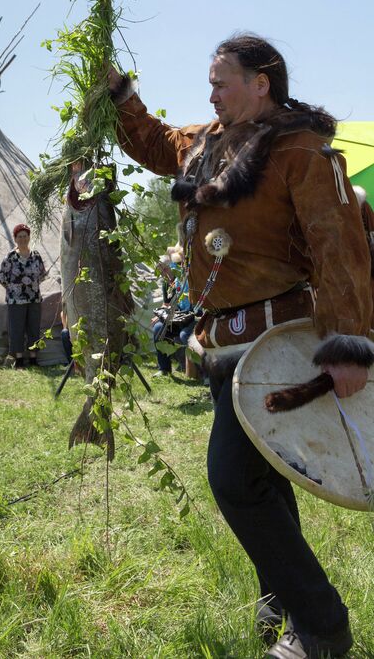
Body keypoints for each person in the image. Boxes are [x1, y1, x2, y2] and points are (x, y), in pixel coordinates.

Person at [110, 34, 372, 658]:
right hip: (221, 342)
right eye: (210, 83)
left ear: (262, 82)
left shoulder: (298, 149)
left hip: (277, 342)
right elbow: (154, 142)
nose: (211, 92)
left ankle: (322, 627)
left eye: (221, 81)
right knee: (265, 479)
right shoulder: (208, 143)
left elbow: (338, 243)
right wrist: (120, 94)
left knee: (232, 479)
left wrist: (348, 344)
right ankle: (282, 603)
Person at [0, 224, 47, 369]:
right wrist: (14, 290)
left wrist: (31, 288)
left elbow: (42, 275)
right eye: (20, 236)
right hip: (15, 300)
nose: (23, 239)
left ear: (29, 237)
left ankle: (33, 358)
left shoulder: (36, 255)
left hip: (34, 299)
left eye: (25, 236)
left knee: (33, 327)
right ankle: (18, 360)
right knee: (16, 328)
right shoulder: (10, 257)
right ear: (15, 239)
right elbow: (2, 278)